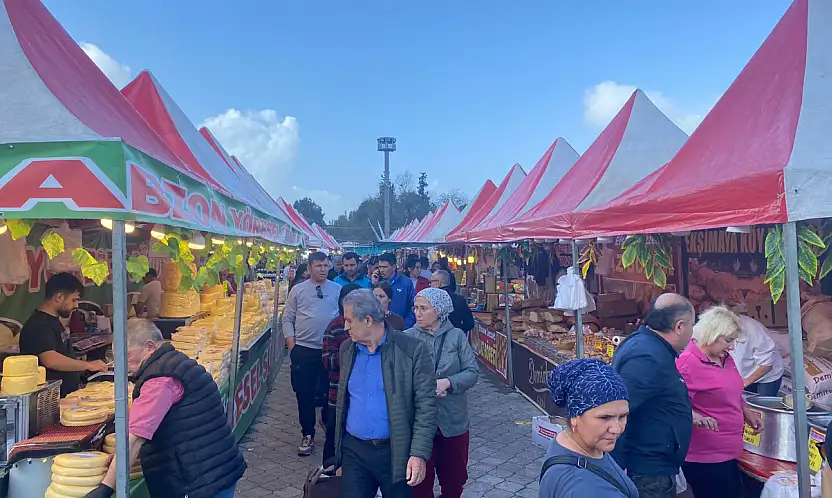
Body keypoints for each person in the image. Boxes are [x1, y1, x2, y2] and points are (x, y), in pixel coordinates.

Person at [84, 319, 245, 498]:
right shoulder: (176, 362)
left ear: (150, 346)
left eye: (126, 355)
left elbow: (134, 439)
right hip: (216, 469)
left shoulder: (160, 380)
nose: (121, 363)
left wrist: (106, 488)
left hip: (197, 481)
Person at [332, 289, 438, 498]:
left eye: (349, 321)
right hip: (355, 451)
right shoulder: (346, 350)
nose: (345, 327)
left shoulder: (412, 350)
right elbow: (342, 403)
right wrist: (337, 454)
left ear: (368, 320)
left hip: (395, 452)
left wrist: (418, 454)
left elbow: (427, 407)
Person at [611, 293, 694, 498]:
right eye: (693, 324)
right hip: (647, 470)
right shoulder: (647, 356)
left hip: (653, 463)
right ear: (680, 326)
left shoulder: (648, 345)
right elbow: (618, 408)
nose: (693, 332)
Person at [676, 306, 763, 498]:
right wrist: (695, 416)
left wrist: (745, 410)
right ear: (711, 334)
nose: (732, 347)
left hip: (731, 449)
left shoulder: (725, 358)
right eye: (729, 340)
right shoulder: (686, 363)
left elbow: (731, 390)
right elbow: (673, 405)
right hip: (705, 456)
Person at [406, 288, 479, 498]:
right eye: (416, 308)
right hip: (418, 423)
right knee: (419, 484)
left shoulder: (456, 336)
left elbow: (472, 372)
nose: (417, 313)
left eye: (423, 308)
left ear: (439, 310)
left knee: (454, 481)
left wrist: (448, 382)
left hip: (452, 421)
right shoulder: (406, 338)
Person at [539, 359, 636, 498]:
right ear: (574, 417)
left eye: (622, 416)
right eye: (604, 418)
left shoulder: (572, 443)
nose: (616, 429)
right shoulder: (582, 488)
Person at [284, 251, 341, 456]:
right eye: (318, 266)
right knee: (304, 393)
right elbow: (287, 319)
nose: (323, 269)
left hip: (330, 351)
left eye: (326, 266)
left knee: (329, 393)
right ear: (308, 268)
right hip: (304, 350)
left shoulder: (337, 290)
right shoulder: (298, 290)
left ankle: (328, 425)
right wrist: (292, 346)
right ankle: (307, 433)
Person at [19, 272, 108, 397]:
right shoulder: (38, 325)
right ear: (59, 297)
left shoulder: (54, 321)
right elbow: (51, 360)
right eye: (74, 300)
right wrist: (87, 365)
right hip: (50, 401)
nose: (76, 305)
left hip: (67, 396)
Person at [321, 283, 362, 469]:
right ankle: (328, 479)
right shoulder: (335, 326)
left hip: (361, 397)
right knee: (333, 437)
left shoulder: (370, 329)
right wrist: (349, 354)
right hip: (337, 394)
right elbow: (326, 361)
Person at [730, 306, 785, 395]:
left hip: (766, 377)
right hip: (743, 374)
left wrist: (744, 384)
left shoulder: (753, 330)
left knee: (763, 407)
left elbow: (766, 365)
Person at [371, 252, 416, 327]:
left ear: (394, 267)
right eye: (380, 267)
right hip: (378, 327)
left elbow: (413, 307)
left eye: (385, 267)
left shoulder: (406, 283)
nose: (381, 270)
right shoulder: (376, 282)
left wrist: (405, 326)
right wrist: (373, 284)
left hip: (400, 328)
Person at [430, 270, 474, 335]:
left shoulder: (430, 299)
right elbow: (470, 323)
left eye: (432, 281)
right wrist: (457, 331)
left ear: (438, 283)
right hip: (454, 339)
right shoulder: (460, 299)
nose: (430, 284)